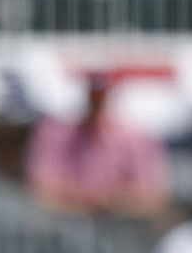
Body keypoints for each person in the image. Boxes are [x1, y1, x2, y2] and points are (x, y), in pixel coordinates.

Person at [25, 71, 170, 218]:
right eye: (93, 96)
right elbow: (42, 190)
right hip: (67, 223)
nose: (96, 103)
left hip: (119, 226)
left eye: (100, 96)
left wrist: (109, 199)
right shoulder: (55, 131)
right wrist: (86, 199)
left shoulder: (136, 135)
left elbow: (152, 195)